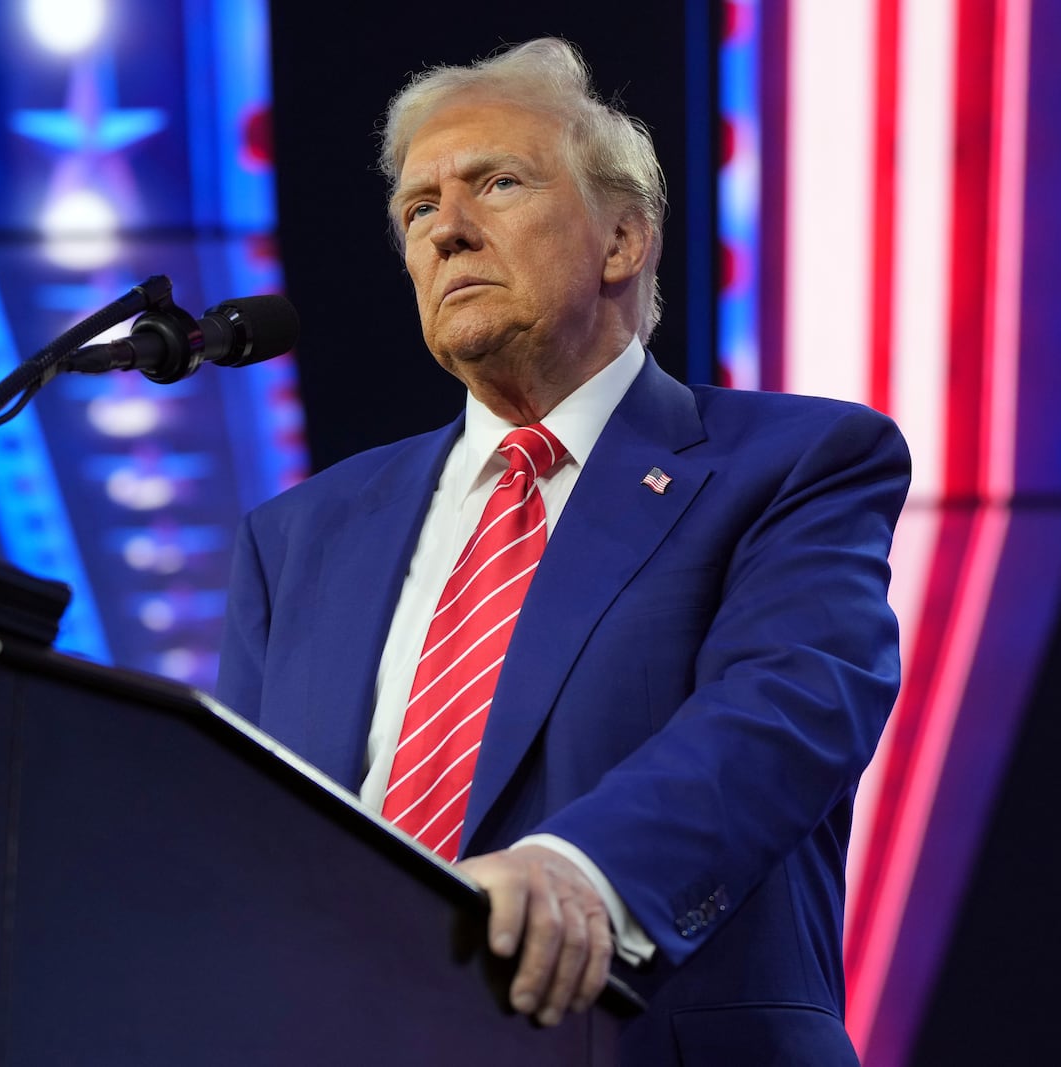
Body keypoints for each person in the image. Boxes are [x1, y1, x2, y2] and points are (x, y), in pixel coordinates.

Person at [217, 37, 908, 1065]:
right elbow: (240, 843)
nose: (446, 230)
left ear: (623, 239)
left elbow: (788, 706)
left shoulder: (795, 461)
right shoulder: (299, 536)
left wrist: (584, 870)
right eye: (417, 210)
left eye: (496, 183)